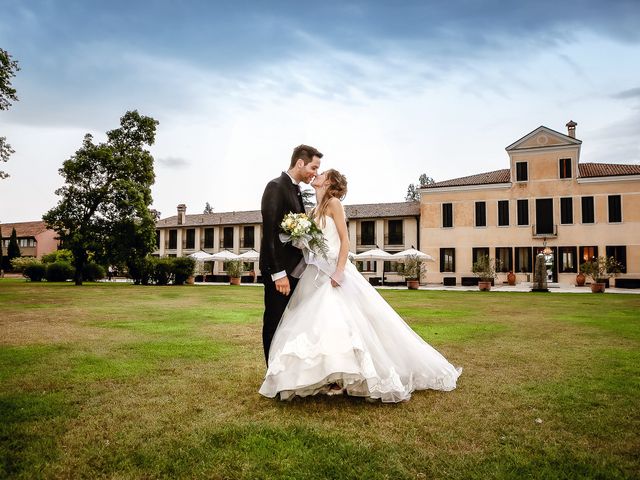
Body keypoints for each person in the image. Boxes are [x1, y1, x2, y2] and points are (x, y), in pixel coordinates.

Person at [259, 169, 461, 403]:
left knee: (337, 322)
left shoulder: (334, 204)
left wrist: (339, 271)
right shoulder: (314, 210)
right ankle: (326, 376)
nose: (317, 175)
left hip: (333, 271)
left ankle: (344, 376)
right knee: (317, 325)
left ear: (330, 182)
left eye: (321, 173)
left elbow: (345, 241)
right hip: (314, 274)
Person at [259, 144, 322, 365]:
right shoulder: (275, 186)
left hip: (295, 271)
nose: (315, 173)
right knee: (275, 321)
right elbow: (270, 233)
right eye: (314, 167)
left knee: (291, 322)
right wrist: (278, 273)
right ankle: (272, 374)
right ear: (300, 163)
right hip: (280, 272)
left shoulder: (294, 189)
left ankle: (285, 372)